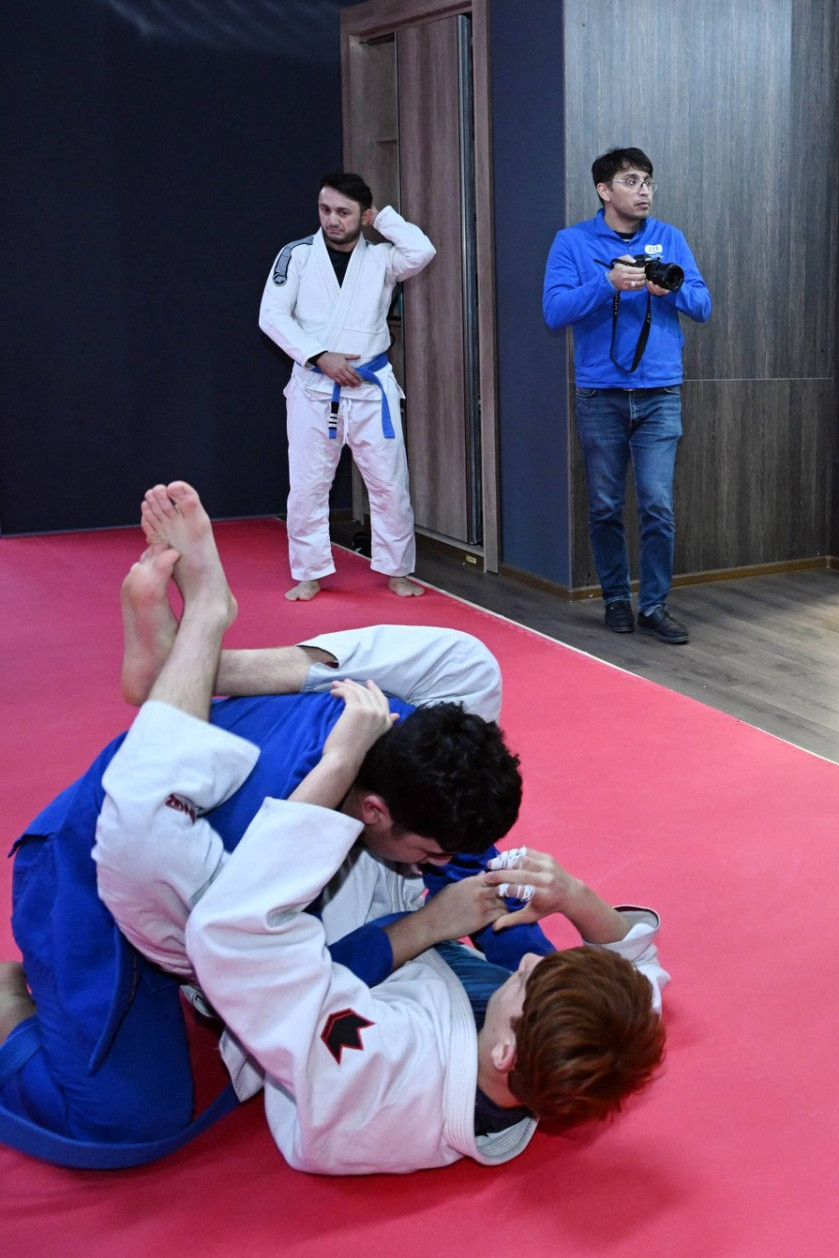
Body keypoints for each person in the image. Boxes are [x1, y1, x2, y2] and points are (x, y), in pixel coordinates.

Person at [0, 485, 536, 1167]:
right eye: (429, 852)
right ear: (376, 811)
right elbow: (267, 974)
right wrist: (426, 925)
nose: (440, 867)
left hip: (187, 831)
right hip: (93, 876)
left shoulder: (402, 727)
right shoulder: (243, 852)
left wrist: (545, 962)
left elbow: (463, 858)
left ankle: (190, 667)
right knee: (124, 1123)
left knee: (470, 668)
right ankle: (10, 998)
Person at [543, 147, 713, 642]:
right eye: (632, 181)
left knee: (658, 505)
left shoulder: (670, 238)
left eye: (648, 182)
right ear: (604, 190)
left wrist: (670, 290)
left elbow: (703, 305)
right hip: (601, 395)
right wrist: (608, 283)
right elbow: (554, 312)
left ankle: (655, 606)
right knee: (605, 505)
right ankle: (616, 599)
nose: (644, 191)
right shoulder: (572, 242)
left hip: (660, 392)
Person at [260, 173, 435, 602]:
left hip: (371, 389)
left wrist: (385, 219)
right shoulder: (297, 255)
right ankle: (309, 573)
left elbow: (422, 250)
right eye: (325, 210)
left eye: (343, 212)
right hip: (314, 388)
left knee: (390, 485)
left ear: (364, 216)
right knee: (307, 487)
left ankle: (397, 570)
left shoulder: (383, 259)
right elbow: (272, 316)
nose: (332, 220)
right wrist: (320, 356)